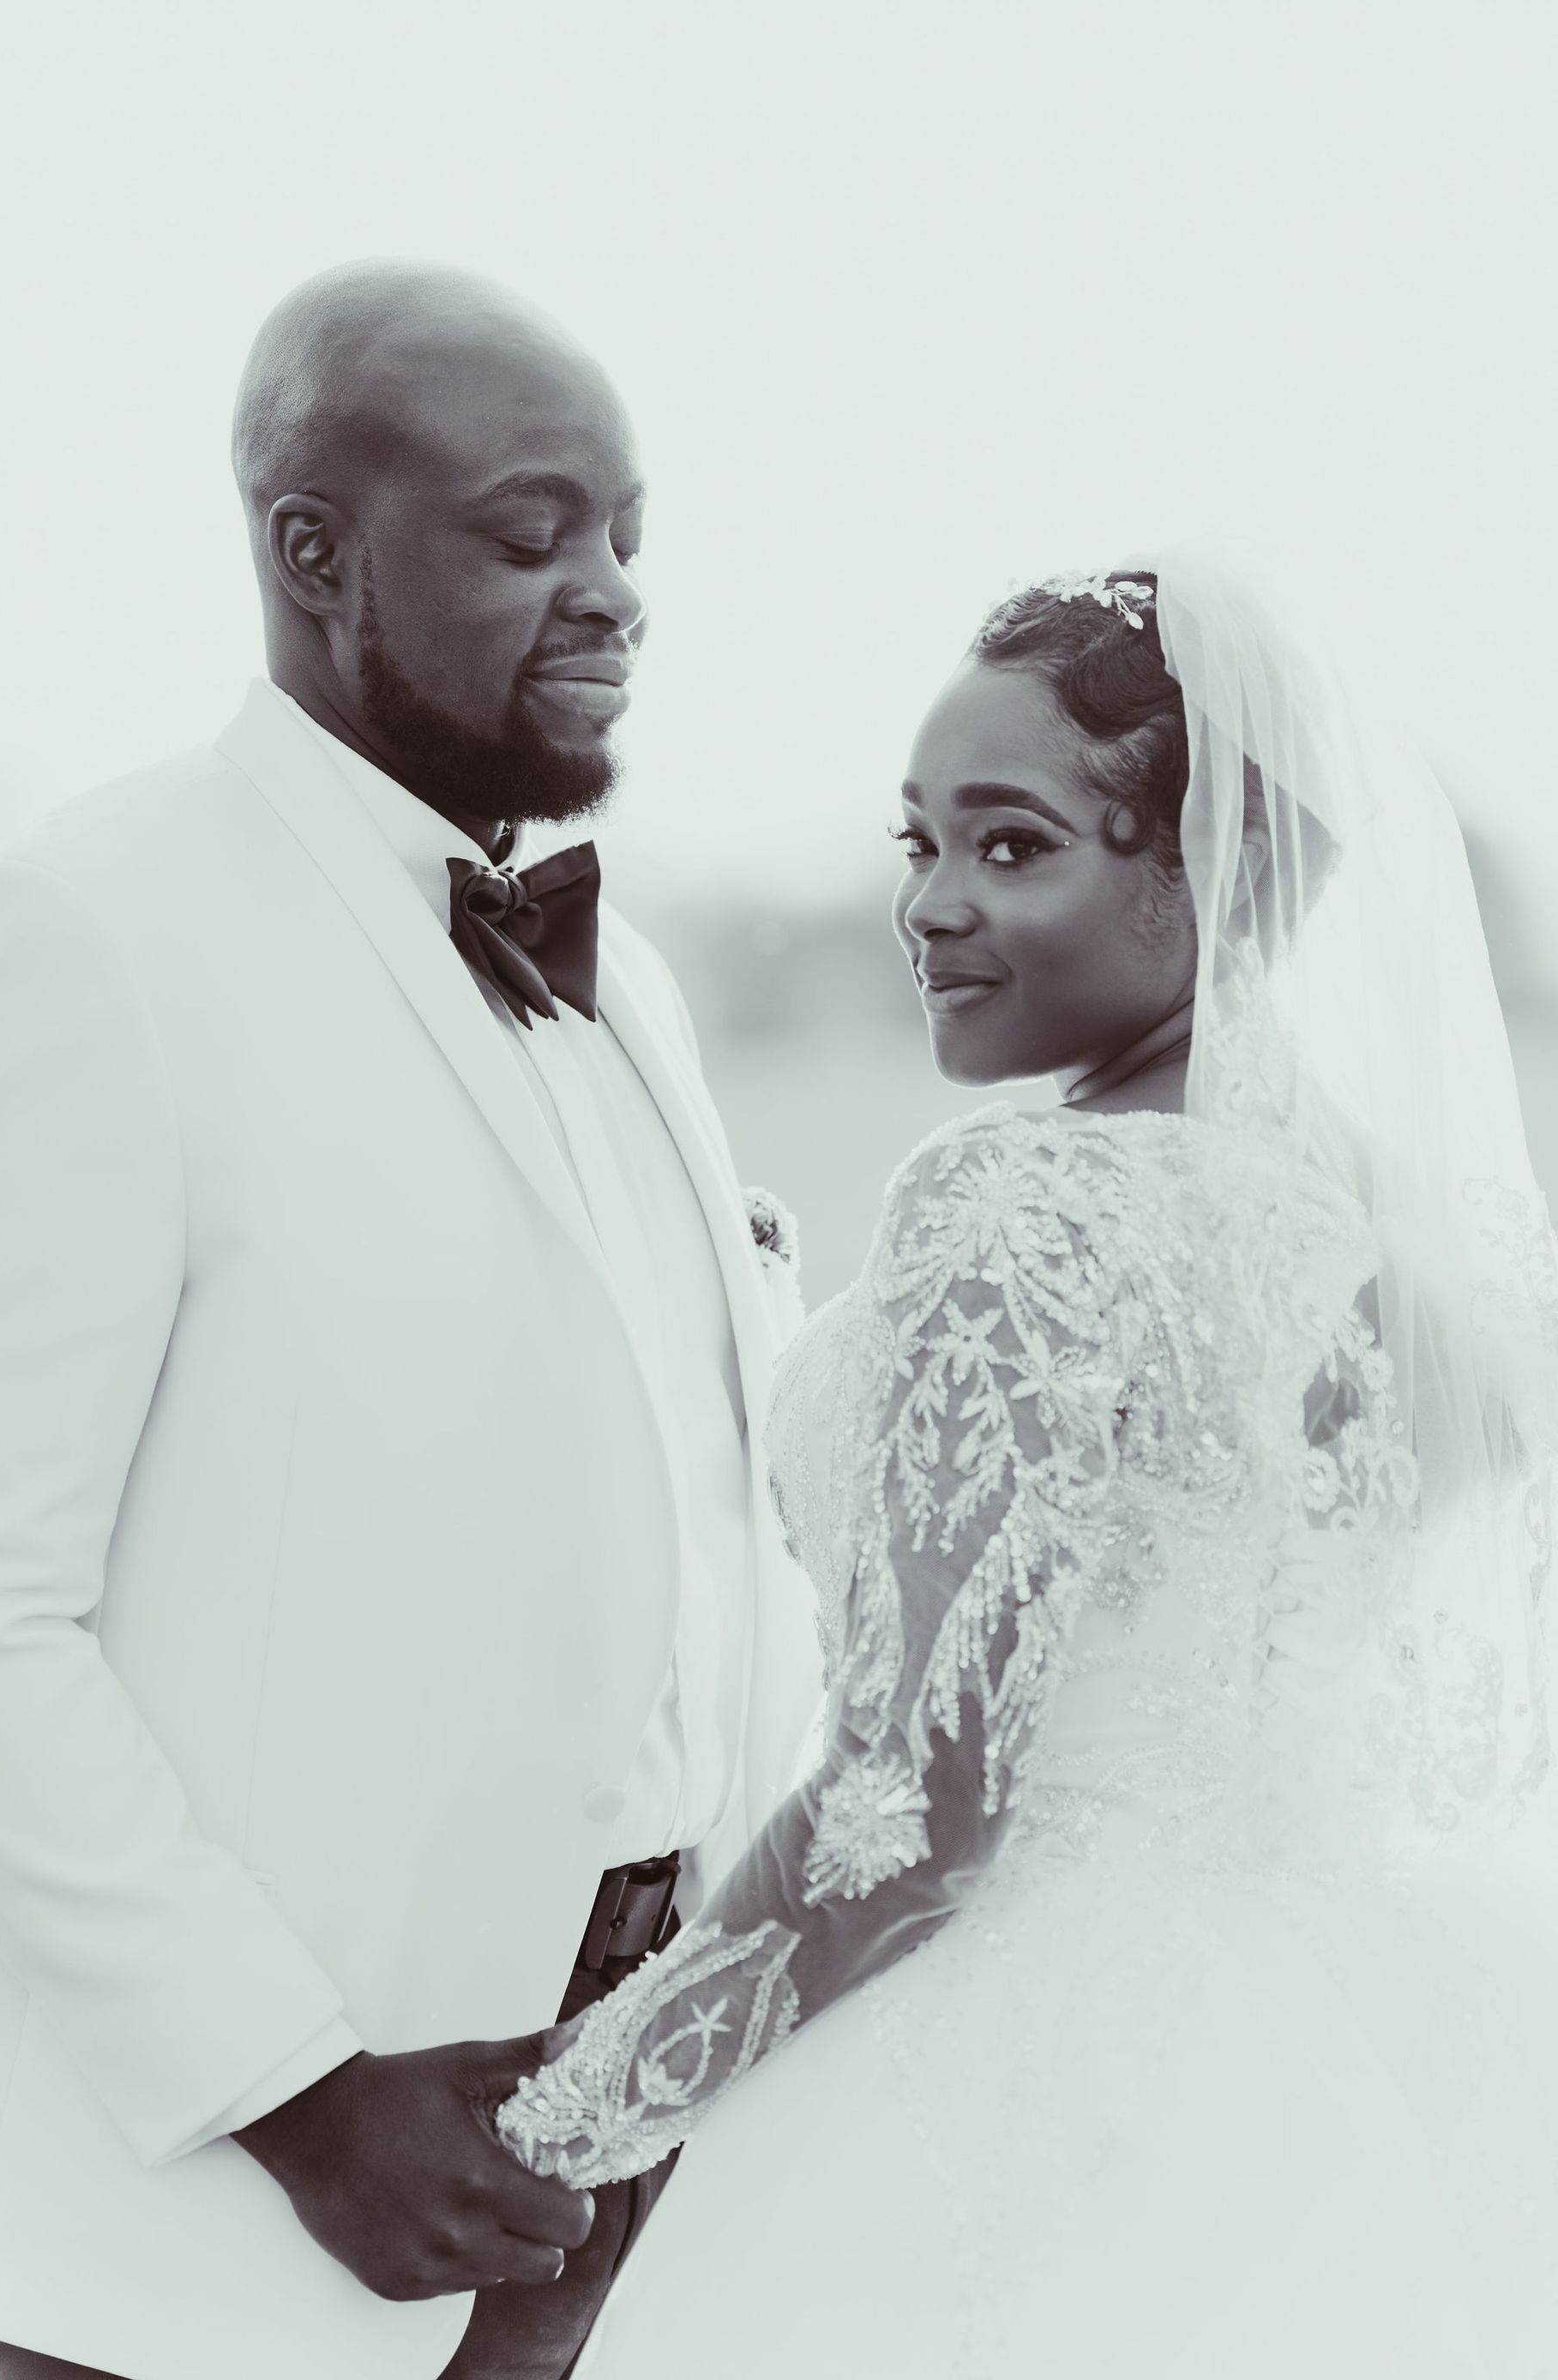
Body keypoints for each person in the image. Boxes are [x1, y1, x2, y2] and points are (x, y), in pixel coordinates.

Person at [495, 558, 1558, 2377]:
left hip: (1012, 2088)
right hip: (1342, 2072)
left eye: (1013, 847)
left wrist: (564, 2124)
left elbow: (911, 1816)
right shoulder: (1387, 1242)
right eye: (919, 843)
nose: (927, 904)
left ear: (1209, 876)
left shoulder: (1020, 1202)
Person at [0, 261, 822, 2380]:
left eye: (626, 536)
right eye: (531, 534)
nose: (611, 592)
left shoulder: (641, 991)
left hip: (636, 2186)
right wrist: (303, 2095)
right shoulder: (80, 936)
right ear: (316, 554)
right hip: (245, 2235)